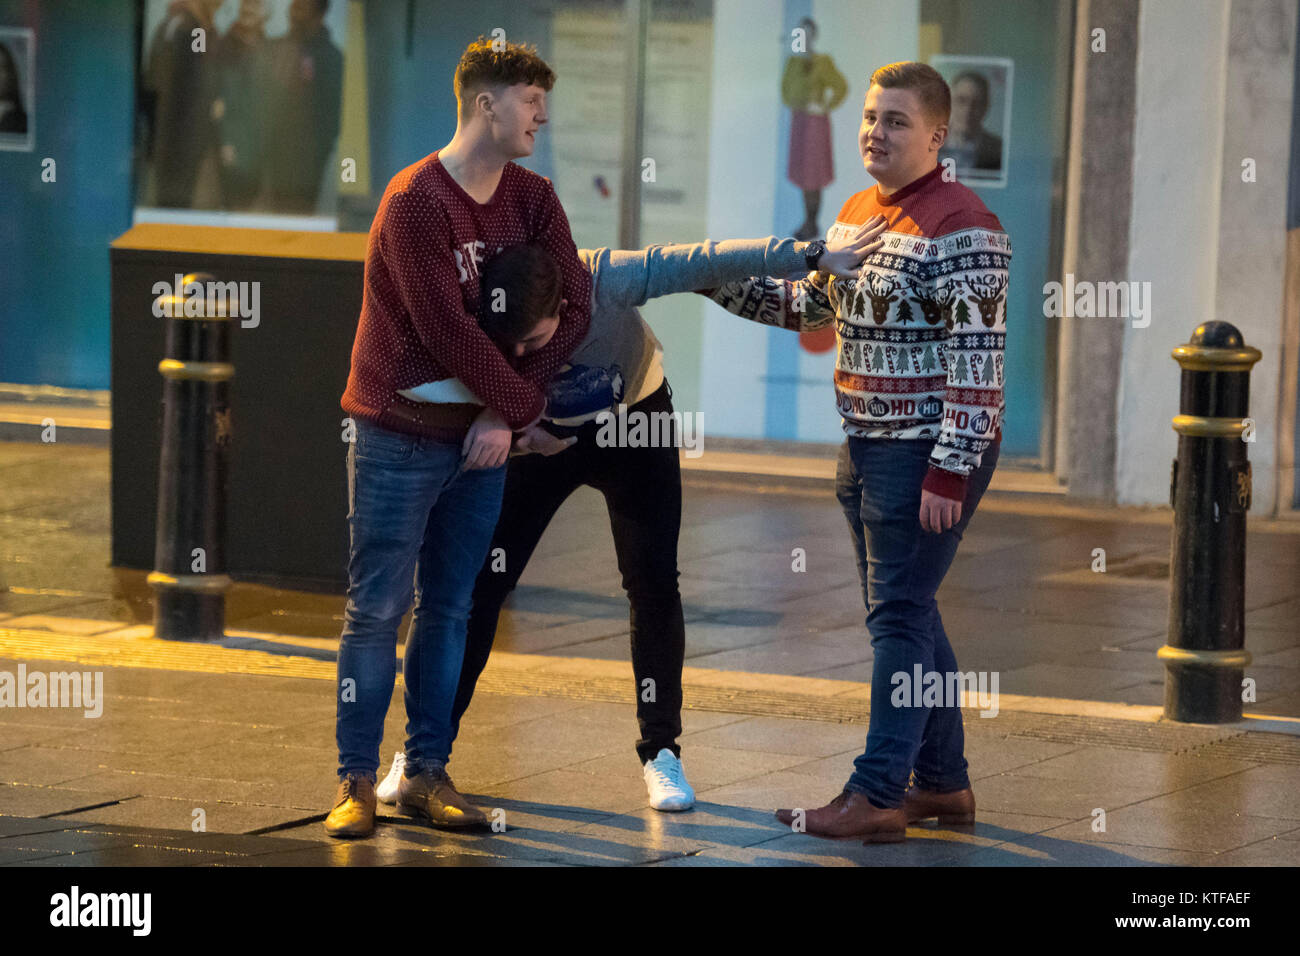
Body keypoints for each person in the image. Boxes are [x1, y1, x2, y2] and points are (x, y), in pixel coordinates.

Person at [370, 222, 885, 813]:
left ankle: (661, 753)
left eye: (534, 343)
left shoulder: (604, 279)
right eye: (510, 346)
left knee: (653, 584)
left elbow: (706, 259)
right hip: (542, 443)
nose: (521, 357)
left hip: (635, 423)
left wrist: (813, 254)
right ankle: (424, 755)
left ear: (564, 306)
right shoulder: (491, 303)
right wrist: (510, 422)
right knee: (482, 587)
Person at [706, 61, 1011, 843]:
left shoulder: (964, 225)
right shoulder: (852, 214)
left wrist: (949, 469)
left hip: (924, 454)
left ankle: (877, 794)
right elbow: (804, 307)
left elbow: (980, 361)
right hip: (866, 447)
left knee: (898, 618)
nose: (876, 131)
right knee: (909, 612)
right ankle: (941, 784)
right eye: (872, 117)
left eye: (896, 121)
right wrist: (708, 273)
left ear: (937, 136)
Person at [325, 37, 592, 839]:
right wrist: (520, 411)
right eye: (528, 98)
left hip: (479, 443)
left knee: (450, 610)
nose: (542, 113)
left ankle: (427, 773)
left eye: (544, 99)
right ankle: (355, 782)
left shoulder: (535, 198)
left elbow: (575, 306)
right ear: (485, 103)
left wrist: (501, 416)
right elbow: (447, 331)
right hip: (398, 436)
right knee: (376, 613)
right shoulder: (414, 201)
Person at [264, 0, 343, 212]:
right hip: (261, 165)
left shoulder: (331, 58)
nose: (294, 9)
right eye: (294, 3)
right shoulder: (271, 49)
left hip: (303, 171)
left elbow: (331, 122)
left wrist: (313, 156)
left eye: (302, 4)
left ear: (320, 12)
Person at [781, 16, 848, 240]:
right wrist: (800, 103)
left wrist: (825, 105)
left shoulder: (824, 61)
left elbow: (841, 86)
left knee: (814, 173)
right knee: (802, 173)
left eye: (808, 34)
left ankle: (812, 224)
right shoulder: (792, 63)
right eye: (801, 35)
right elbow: (785, 92)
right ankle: (808, 222)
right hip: (800, 123)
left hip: (816, 125)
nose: (805, 39)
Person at [938, 71, 1003, 177]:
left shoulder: (999, 150)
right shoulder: (928, 145)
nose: (968, 110)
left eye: (977, 103)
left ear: (986, 107)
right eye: (961, 100)